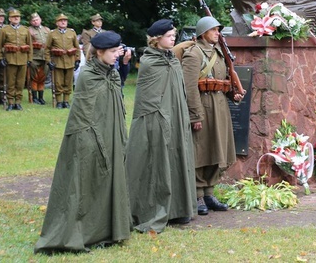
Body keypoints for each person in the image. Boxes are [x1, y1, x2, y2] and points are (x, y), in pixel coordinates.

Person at [34, 31, 131, 253]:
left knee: (109, 178)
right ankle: (82, 230)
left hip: (111, 134)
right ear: (100, 52)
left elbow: (116, 99)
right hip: (88, 136)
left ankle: (109, 228)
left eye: (118, 51)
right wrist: (91, 140)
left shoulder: (111, 74)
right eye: (114, 51)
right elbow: (84, 114)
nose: (118, 54)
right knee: (84, 183)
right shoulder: (88, 75)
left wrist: (123, 64)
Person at [125, 19, 196, 231]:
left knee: (176, 158)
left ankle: (178, 208)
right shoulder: (150, 62)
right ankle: (154, 209)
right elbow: (148, 98)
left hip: (176, 117)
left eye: (174, 34)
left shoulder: (172, 60)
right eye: (168, 35)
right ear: (157, 39)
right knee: (158, 163)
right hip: (155, 118)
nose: (173, 37)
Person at [182, 16, 243, 215]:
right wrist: (195, 115)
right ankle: (197, 193)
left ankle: (209, 192)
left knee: (217, 149)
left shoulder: (218, 52)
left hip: (220, 107)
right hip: (203, 108)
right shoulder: (193, 54)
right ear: (203, 33)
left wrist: (233, 94)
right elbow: (189, 88)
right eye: (214, 30)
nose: (218, 33)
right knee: (201, 151)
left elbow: (223, 79)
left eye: (218, 30)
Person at [0, 9, 33, 111]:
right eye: (14, 17)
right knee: (10, 82)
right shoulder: (5, 30)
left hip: (23, 59)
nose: (16, 18)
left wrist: (29, 58)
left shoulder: (25, 30)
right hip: (10, 59)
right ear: (10, 19)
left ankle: (18, 102)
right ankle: (10, 102)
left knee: (20, 82)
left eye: (18, 17)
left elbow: (30, 46)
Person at [45, 13, 80, 108]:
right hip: (57, 61)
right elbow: (47, 48)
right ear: (57, 23)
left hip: (70, 61)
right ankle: (59, 101)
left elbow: (77, 47)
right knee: (58, 82)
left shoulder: (72, 32)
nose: (63, 22)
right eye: (61, 20)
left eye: (65, 20)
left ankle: (66, 101)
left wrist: (77, 60)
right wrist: (48, 61)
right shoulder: (52, 34)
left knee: (68, 82)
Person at [28, 13, 50, 105]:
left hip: (45, 56)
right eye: (33, 20)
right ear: (31, 22)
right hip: (34, 56)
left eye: (37, 19)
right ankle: (34, 97)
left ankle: (41, 97)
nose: (35, 21)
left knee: (43, 77)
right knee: (34, 77)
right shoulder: (28, 30)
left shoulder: (46, 29)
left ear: (40, 19)